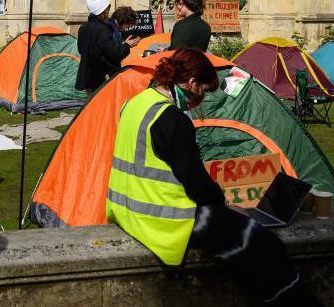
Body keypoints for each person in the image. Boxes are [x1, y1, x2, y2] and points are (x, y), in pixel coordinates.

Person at [106, 49, 320, 305]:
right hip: (166, 221)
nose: (201, 99)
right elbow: (196, 183)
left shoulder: (135, 103)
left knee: (238, 243)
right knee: (265, 244)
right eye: (204, 92)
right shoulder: (173, 119)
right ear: (193, 83)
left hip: (128, 211)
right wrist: (226, 207)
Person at [75, 0, 140, 93]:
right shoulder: (103, 29)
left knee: (91, 105)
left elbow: (81, 50)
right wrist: (127, 45)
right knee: (101, 106)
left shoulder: (83, 28)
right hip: (101, 77)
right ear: (103, 11)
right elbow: (115, 54)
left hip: (88, 76)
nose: (108, 12)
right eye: (107, 9)